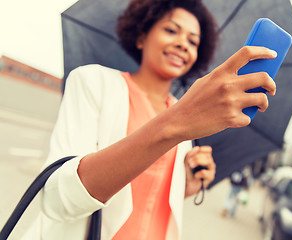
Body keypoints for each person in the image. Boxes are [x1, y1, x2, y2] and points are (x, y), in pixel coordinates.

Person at [22, 0, 277, 239]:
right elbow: (58, 199)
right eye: (171, 30)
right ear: (142, 36)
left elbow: (152, 196)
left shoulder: (182, 113)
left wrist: (187, 185)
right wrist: (176, 123)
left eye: (193, 41)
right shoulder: (92, 82)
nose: (182, 44)